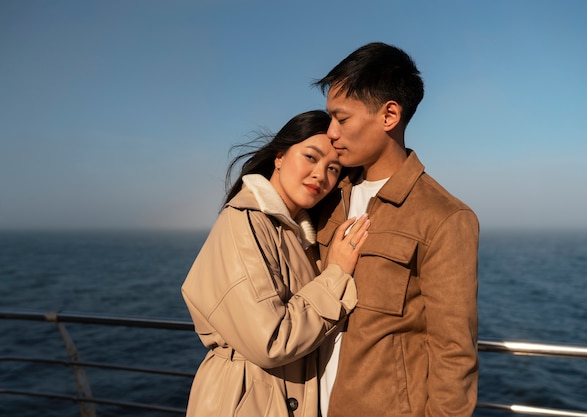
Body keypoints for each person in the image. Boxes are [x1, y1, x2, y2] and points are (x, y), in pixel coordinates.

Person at [313, 42, 479, 417]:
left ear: (389, 115)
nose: (330, 133)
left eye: (342, 118)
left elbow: (454, 353)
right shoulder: (324, 200)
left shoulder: (443, 217)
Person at [181, 110, 370, 417]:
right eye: (311, 157)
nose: (321, 175)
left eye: (333, 168)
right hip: (245, 401)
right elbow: (271, 341)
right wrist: (335, 275)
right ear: (279, 156)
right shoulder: (245, 222)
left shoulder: (298, 233)